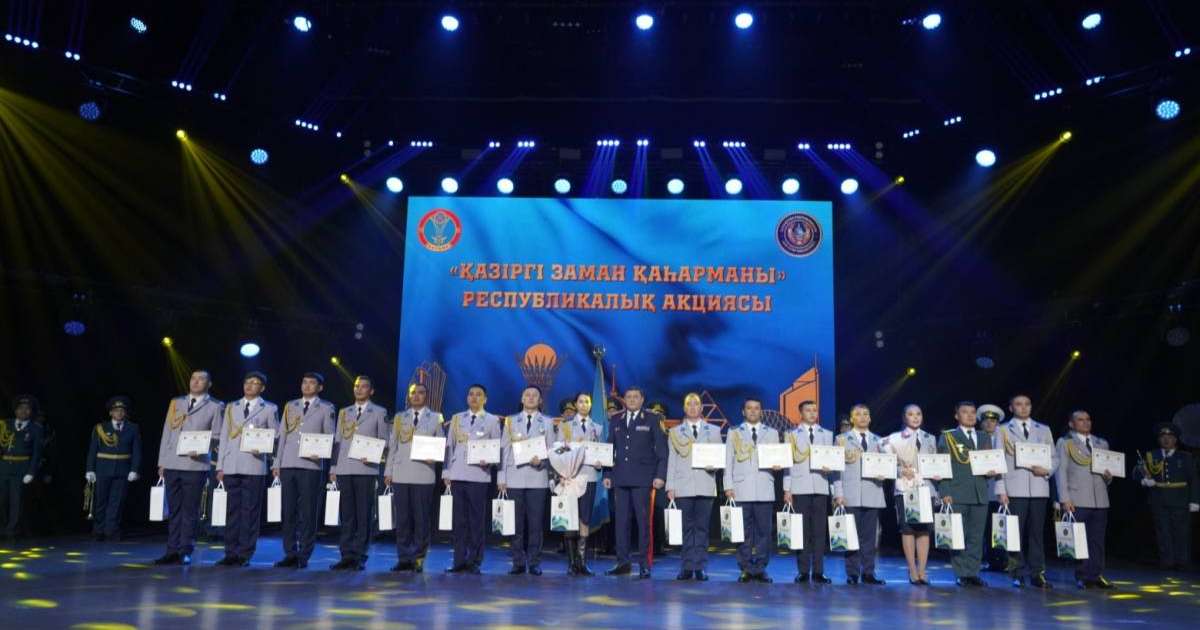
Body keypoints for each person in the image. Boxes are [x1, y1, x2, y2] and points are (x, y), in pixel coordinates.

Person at [154, 371, 224, 565]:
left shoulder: (215, 406)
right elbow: (167, 433)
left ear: (209, 384)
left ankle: (185, 549)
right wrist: (162, 462)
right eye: (193, 378)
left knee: (189, 510)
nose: (195, 382)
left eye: (201, 379)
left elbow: (218, 435)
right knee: (174, 509)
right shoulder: (176, 402)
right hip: (173, 462)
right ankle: (171, 549)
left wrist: (201, 447)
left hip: (195, 464)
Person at [272, 372, 336, 569]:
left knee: (308, 512)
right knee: (288, 510)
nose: (307, 386)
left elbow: (330, 437)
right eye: (304, 382)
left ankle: (304, 554)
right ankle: (290, 552)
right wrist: (276, 462)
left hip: (311, 464)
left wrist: (323, 455)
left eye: (312, 383)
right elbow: (282, 434)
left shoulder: (326, 408)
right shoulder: (291, 406)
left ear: (320, 388)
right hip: (288, 463)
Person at [214, 372, 278, 566]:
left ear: (262, 388)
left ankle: (244, 553)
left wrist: (266, 449)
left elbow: (274, 436)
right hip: (232, 464)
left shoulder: (268, 408)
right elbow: (224, 437)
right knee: (232, 511)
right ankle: (230, 552)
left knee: (249, 511)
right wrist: (220, 466)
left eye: (255, 383)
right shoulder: (232, 406)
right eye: (247, 382)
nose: (250, 386)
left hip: (254, 463)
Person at [604, 386, 667, 579]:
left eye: (635, 397)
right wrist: (607, 473)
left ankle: (644, 564)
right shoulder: (616, 419)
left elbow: (662, 452)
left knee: (643, 523)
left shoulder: (653, 419)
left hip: (643, 479)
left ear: (642, 399)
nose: (631, 400)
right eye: (628, 397)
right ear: (624, 400)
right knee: (621, 523)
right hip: (620, 478)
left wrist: (660, 476)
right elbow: (608, 449)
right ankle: (623, 562)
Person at [994, 394, 1056, 589]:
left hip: (1039, 487)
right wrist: (1001, 489)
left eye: (1027, 404)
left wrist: (1047, 471)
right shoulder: (1003, 429)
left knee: (1037, 533)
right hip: (1014, 488)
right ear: (1011, 408)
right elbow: (999, 459)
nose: (1023, 407)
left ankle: (1038, 573)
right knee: (1015, 533)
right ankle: (1017, 571)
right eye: (1018, 404)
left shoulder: (1043, 429)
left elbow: (1054, 457)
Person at [937, 401, 1001, 587]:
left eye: (973, 412)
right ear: (957, 416)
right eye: (965, 412)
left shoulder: (983, 437)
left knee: (976, 536)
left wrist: (992, 471)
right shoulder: (948, 436)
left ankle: (973, 572)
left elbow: (988, 463)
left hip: (980, 492)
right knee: (959, 535)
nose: (970, 416)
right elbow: (943, 465)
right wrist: (945, 491)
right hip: (957, 492)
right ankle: (961, 573)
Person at [329, 375, 389, 570]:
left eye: (364, 386)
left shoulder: (379, 412)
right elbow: (338, 441)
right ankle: (345, 554)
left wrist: (373, 454)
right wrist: (334, 467)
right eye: (356, 386)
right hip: (345, 468)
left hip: (366, 469)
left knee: (363, 514)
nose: (359, 389)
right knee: (347, 515)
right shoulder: (344, 412)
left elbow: (385, 441)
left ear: (371, 391)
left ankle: (359, 555)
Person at [384, 382, 444, 573]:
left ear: (425, 396)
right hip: (401, 473)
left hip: (424, 474)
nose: (416, 396)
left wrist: (433, 456)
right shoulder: (400, 418)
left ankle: (418, 558)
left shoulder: (435, 418)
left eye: (420, 393)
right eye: (413, 393)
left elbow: (441, 444)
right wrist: (388, 471)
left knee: (421, 519)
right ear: (408, 396)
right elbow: (393, 446)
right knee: (402, 519)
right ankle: (403, 558)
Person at [444, 384, 502, 573]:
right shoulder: (457, 418)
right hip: (458, 474)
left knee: (476, 521)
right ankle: (458, 560)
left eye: (478, 395)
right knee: (458, 521)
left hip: (479, 475)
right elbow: (449, 446)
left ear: (485, 399)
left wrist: (490, 461)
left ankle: (475, 560)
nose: (474, 397)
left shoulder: (492, 420)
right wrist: (446, 472)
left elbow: (497, 448)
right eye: (471, 394)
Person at [1054, 410, 1113, 588]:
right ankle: (1083, 575)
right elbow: (1060, 471)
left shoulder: (1101, 443)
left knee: (1097, 540)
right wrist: (1064, 498)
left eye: (1088, 419)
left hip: (1100, 499)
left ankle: (1096, 574)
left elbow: (1108, 473)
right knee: (1080, 541)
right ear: (1071, 424)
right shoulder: (1065, 443)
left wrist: (1109, 476)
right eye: (1080, 420)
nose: (1085, 423)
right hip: (1077, 498)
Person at [665, 393, 722, 581]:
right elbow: (671, 461)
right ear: (684, 408)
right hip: (683, 486)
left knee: (702, 529)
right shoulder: (674, 432)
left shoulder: (713, 431)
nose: (692, 407)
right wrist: (670, 486)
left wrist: (715, 464)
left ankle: (700, 567)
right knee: (686, 529)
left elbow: (720, 458)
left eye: (696, 404)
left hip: (706, 485)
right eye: (688, 404)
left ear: (701, 408)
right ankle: (687, 566)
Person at [499, 385, 554, 576]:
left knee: (536, 524)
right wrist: (501, 477)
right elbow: (504, 450)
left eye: (535, 396)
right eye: (527, 395)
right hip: (514, 478)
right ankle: (518, 561)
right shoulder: (511, 421)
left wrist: (543, 461)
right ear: (522, 399)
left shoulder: (547, 422)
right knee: (515, 523)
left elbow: (552, 451)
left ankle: (534, 562)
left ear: (540, 401)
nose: (531, 398)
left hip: (538, 479)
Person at [724, 398, 781, 583]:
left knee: (764, 532)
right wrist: (728, 485)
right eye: (749, 408)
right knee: (743, 532)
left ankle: (761, 568)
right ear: (743, 411)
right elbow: (728, 461)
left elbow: (777, 457)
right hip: (741, 488)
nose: (753, 411)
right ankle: (746, 568)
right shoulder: (734, 432)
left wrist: (779, 464)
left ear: (761, 412)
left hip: (765, 487)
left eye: (757, 408)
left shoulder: (772, 433)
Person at [881, 404, 938, 585]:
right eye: (911, 414)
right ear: (904, 417)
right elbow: (885, 459)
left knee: (924, 530)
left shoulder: (930, 438)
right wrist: (899, 470)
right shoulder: (894, 438)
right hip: (905, 488)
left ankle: (922, 570)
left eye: (918, 414)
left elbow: (934, 462)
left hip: (925, 487)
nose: (915, 417)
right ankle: (912, 569)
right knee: (908, 529)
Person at [832, 403, 886, 585]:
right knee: (850, 535)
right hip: (850, 494)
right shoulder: (841, 439)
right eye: (858, 414)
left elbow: (887, 466)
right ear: (852, 418)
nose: (862, 417)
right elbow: (836, 470)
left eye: (866, 414)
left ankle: (869, 572)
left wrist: (885, 473)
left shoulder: (880, 441)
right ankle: (852, 573)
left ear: (870, 418)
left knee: (869, 538)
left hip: (872, 492)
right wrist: (838, 494)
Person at [782, 400, 835, 584]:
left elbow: (833, 464)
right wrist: (787, 489)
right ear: (800, 413)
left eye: (814, 410)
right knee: (801, 532)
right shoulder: (791, 435)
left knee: (820, 532)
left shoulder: (827, 434)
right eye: (808, 410)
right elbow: (788, 464)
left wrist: (834, 489)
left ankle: (819, 571)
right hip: (799, 488)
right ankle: (803, 571)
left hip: (820, 487)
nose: (812, 413)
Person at [1134, 423, 1199, 571]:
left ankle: (1182, 561)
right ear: (1159, 439)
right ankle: (1167, 561)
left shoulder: (1186, 457)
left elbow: (1194, 480)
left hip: (1180, 500)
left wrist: (1195, 501)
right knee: (1163, 531)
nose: (1166, 439)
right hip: (1159, 500)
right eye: (1163, 436)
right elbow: (1137, 471)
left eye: (1170, 437)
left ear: (1175, 440)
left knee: (1181, 532)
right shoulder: (1152, 455)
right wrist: (1144, 479)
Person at [85, 396, 142, 541]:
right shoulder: (101, 428)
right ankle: (98, 530)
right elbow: (92, 450)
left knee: (116, 502)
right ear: (110, 413)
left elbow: (137, 451)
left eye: (122, 410)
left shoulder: (132, 428)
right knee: (101, 501)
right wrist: (90, 469)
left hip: (122, 470)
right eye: (116, 410)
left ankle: (111, 530)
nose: (119, 413)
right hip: (103, 468)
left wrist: (134, 469)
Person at [559, 392, 602, 575]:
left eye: (587, 401)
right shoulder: (566, 426)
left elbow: (602, 451)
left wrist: (601, 463)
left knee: (585, 519)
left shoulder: (598, 428)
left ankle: (581, 562)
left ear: (590, 405)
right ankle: (571, 563)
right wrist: (561, 473)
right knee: (569, 519)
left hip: (589, 476)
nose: (584, 404)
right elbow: (558, 451)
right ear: (575, 404)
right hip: (570, 478)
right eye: (580, 401)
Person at [0, 396, 44, 540]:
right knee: (2, 499)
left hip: (21, 467)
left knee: (16, 501)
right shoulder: (4, 425)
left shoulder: (35, 429)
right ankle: (3, 527)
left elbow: (37, 453)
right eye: (20, 408)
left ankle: (11, 531)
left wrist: (31, 472)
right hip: (4, 466)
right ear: (15, 410)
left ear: (31, 412)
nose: (23, 411)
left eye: (27, 409)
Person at [977, 403, 1007, 572]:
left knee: (1001, 526)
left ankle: (1003, 560)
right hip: (982, 489)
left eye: (993, 421)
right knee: (986, 527)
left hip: (1000, 489)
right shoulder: (976, 439)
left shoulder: (1003, 439)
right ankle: (989, 559)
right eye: (986, 420)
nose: (989, 424)